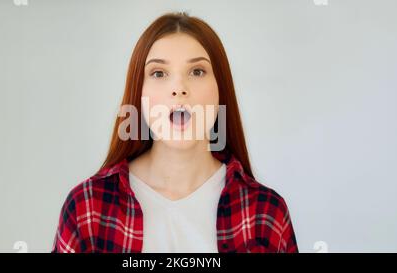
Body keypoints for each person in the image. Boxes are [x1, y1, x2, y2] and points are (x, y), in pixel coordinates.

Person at [52, 11, 298, 253]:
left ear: (220, 89)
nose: (179, 88)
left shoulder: (267, 213)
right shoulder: (86, 208)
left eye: (197, 71)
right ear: (139, 93)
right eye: (159, 73)